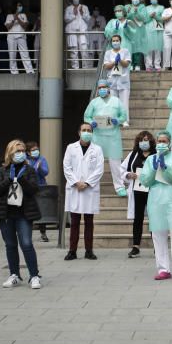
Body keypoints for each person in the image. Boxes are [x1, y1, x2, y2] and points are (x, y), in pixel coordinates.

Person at [0, 139, 43, 289]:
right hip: (6, 214)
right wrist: (9, 180)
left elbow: (34, 189)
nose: (20, 154)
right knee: (10, 245)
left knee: (26, 243)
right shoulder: (2, 170)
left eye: (22, 151)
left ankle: (34, 276)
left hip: (23, 213)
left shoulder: (29, 169)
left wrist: (22, 180)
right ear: (10, 153)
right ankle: (14, 275)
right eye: (17, 151)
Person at [138, 130, 172, 281]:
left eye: (164, 141)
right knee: (158, 235)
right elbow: (145, 181)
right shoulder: (150, 160)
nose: (161, 144)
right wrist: (154, 169)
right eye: (159, 141)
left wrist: (165, 169)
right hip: (156, 201)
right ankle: (163, 269)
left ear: (169, 143)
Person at [63, 123, 105, 260]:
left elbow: (99, 169)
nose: (86, 132)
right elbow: (66, 167)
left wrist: (87, 183)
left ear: (92, 133)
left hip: (89, 189)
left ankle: (89, 250)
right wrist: (76, 182)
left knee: (89, 221)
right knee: (74, 222)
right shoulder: (71, 148)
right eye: (84, 130)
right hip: (74, 188)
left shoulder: (97, 149)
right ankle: (72, 251)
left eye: (89, 130)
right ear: (79, 132)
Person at [83, 79, 128, 192]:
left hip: (113, 136)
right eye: (100, 88)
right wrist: (90, 123)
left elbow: (123, 116)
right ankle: (91, 184)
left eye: (104, 87)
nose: (102, 90)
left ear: (108, 88)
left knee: (115, 163)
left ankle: (119, 187)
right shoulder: (94, 102)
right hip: (98, 136)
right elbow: (86, 116)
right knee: (95, 161)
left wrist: (117, 121)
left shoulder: (116, 101)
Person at [122, 131, 156, 258]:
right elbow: (123, 170)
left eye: (146, 140)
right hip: (137, 190)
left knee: (154, 218)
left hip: (152, 190)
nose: (144, 142)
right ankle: (136, 246)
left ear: (151, 141)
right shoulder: (133, 155)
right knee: (138, 218)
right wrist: (128, 175)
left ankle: (157, 246)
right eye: (141, 140)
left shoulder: (156, 154)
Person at [102, 35, 132, 123]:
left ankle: (124, 121)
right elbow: (106, 66)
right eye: (114, 41)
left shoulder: (125, 51)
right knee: (113, 103)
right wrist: (115, 62)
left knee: (124, 102)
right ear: (111, 42)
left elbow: (126, 64)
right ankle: (113, 121)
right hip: (112, 81)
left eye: (117, 40)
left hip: (123, 80)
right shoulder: (108, 53)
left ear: (120, 41)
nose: (115, 42)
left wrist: (120, 60)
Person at [26, 141, 51, 241]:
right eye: (33, 150)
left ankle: (43, 234)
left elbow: (45, 172)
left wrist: (40, 168)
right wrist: (31, 167)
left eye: (37, 149)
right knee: (29, 211)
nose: (36, 151)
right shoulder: (25, 159)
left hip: (41, 187)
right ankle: (27, 234)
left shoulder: (42, 159)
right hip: (28, 188)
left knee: (42, 211)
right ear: (28, 152)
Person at [5, 3, 34, 74]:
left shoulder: (23, 15)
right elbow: (8, 27)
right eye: (18, 6)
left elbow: (25, 26)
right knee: (12, 54)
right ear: (15, 7)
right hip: (11, 37)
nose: (20, 7)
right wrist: (13, 19)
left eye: (21, 5)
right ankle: (14, 71)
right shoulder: (9, 16)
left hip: (21, 36)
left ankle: (29, 70)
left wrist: (17, 18)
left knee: (25, 53)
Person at [64, 0, 91, 69]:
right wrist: (73, 14)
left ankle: (85, 68)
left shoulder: (84, 7)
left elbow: (88, 19)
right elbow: (66, 19)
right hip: (72, 32)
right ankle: (75, 68)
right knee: (74, 51)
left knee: (84, 50)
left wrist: (83, 14)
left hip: (82, 32)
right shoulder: (68, 8)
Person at [142, 0, 165, 71]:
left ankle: (157, 65)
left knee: (158, 47)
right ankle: (148, 65)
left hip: (158, 29)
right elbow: (144, 20)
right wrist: (150, 16)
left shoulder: (161, 8)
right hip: (148, 29)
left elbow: (163, 19)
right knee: (149, 48)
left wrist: (156, 16)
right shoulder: (146, 8)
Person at [126, 0, 147, 71]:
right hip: (129, 29)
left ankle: (137, 64)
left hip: (139, 29)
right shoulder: (127, 6)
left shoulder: (142, 7)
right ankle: (130, 63)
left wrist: (136, 11)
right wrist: (129, 12)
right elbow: (125, 17)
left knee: (137, 47)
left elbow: (144, 18)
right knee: (130, 46)